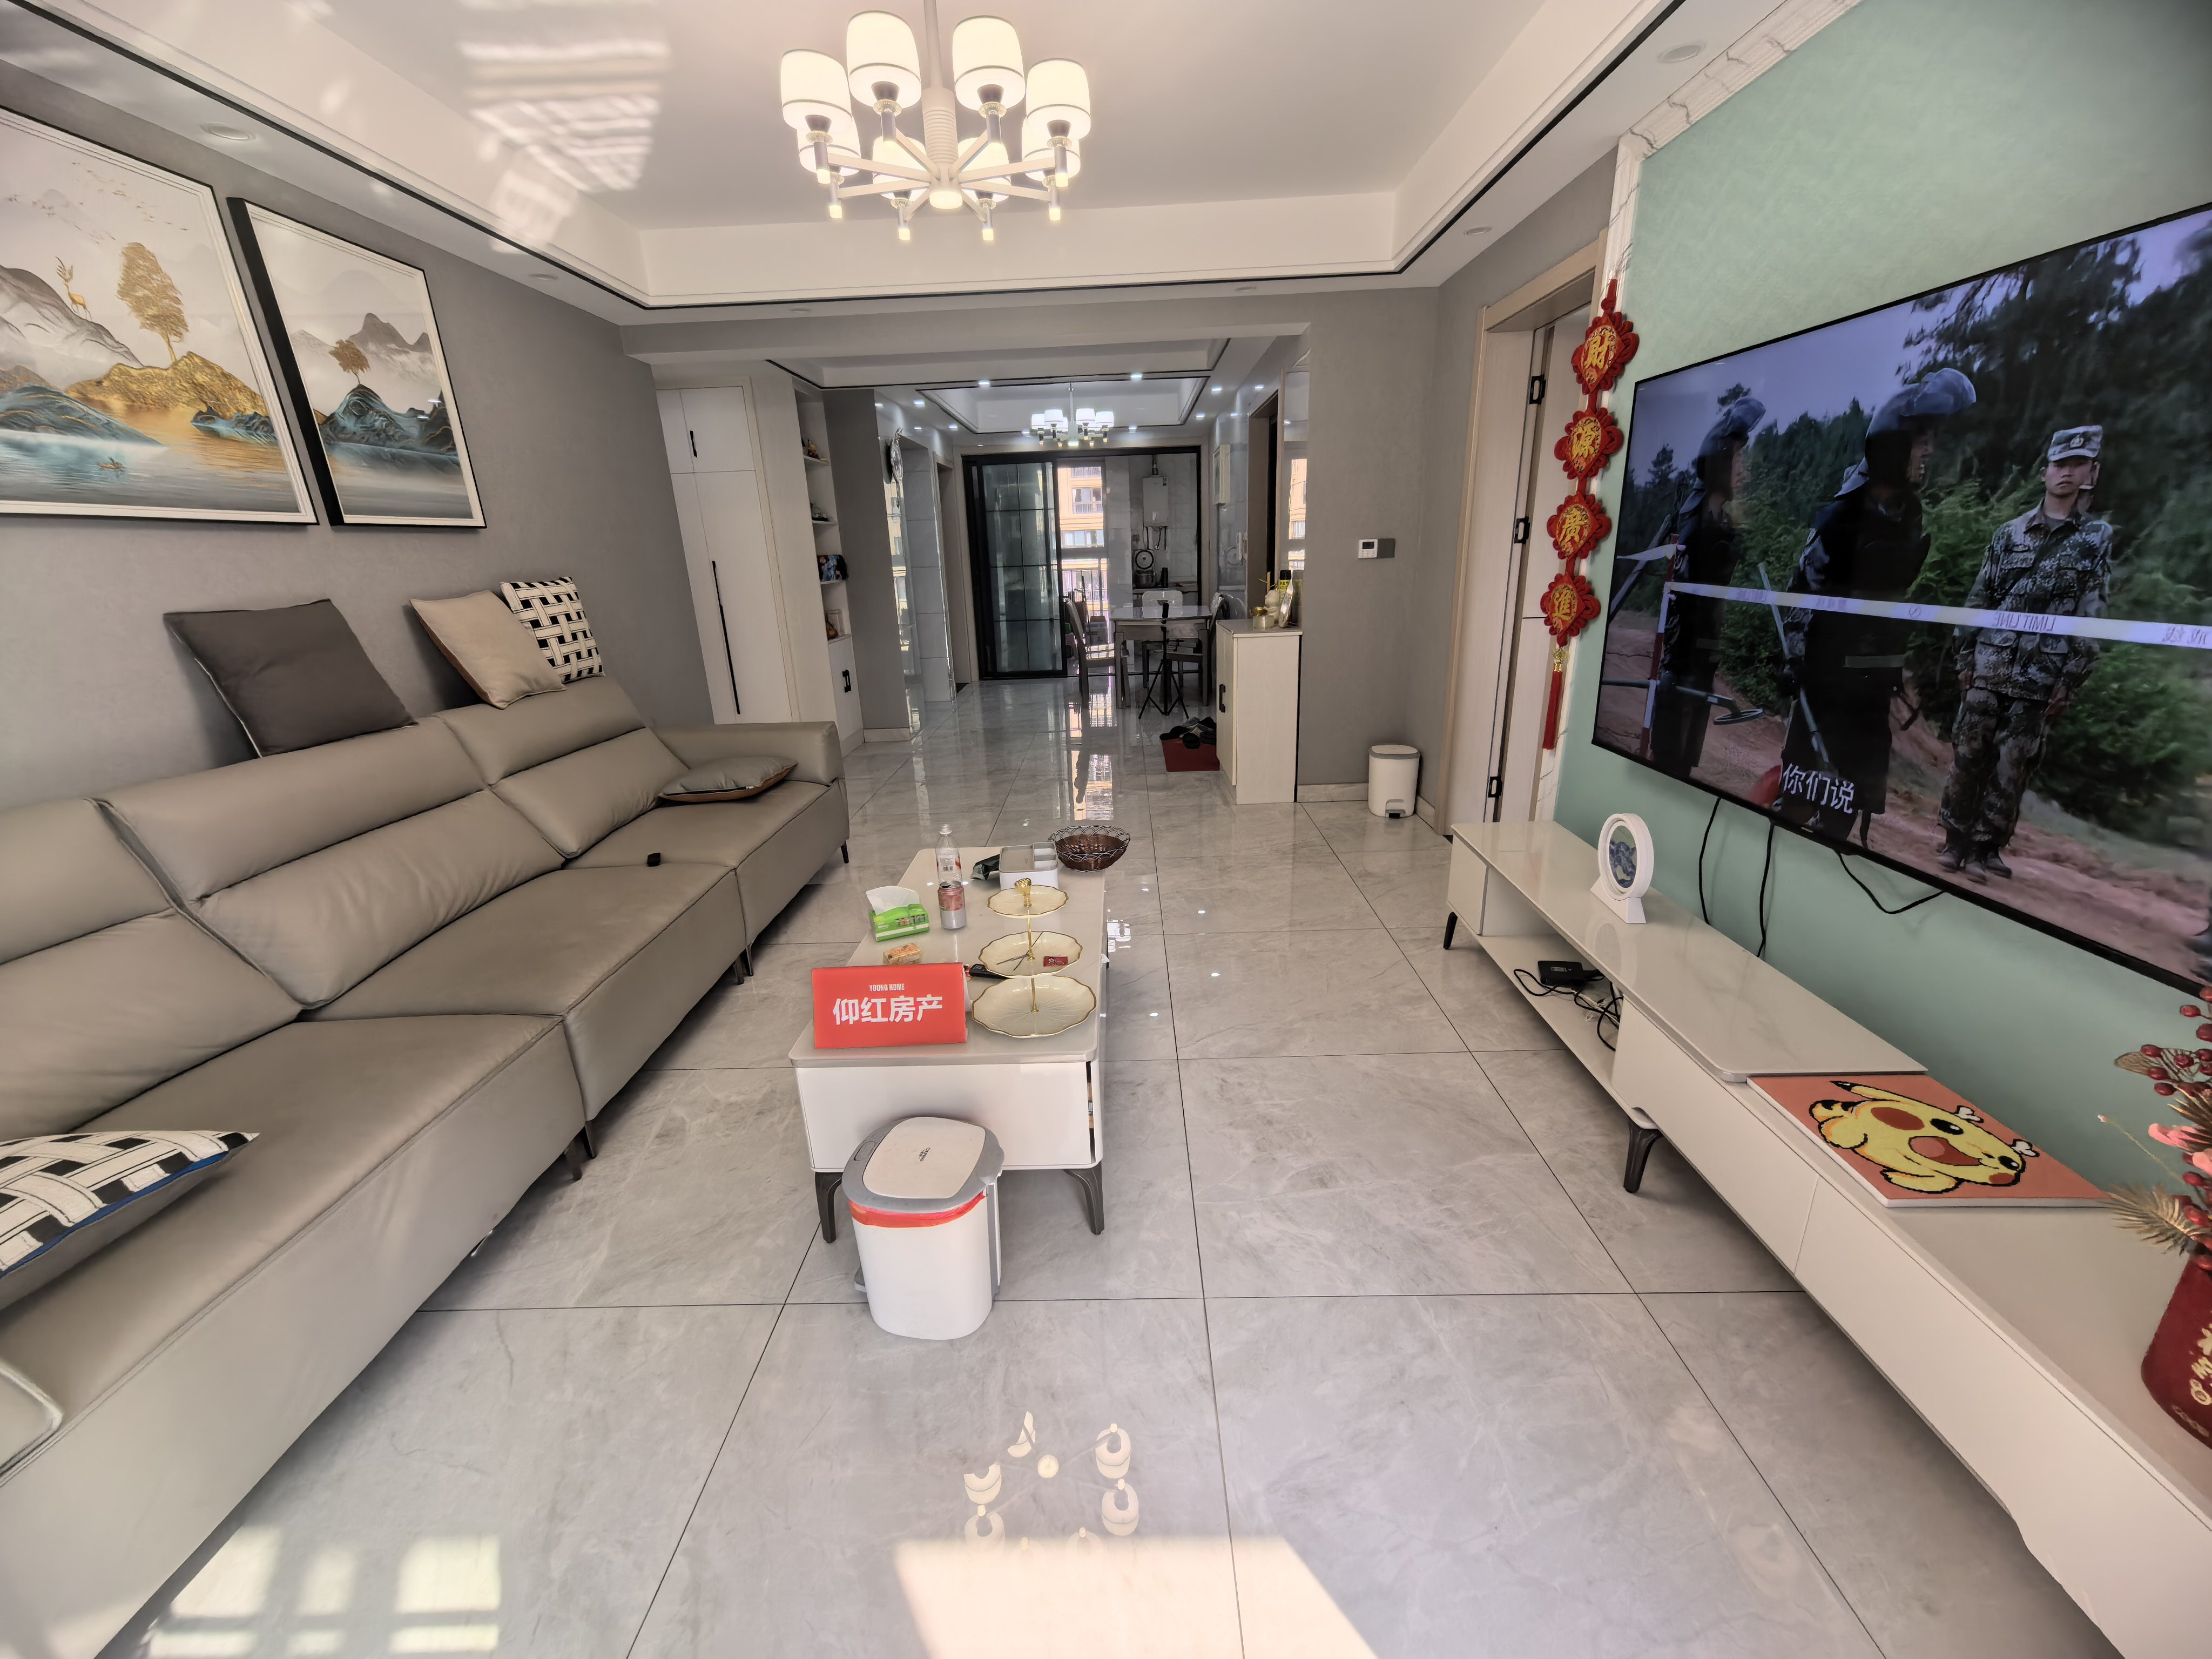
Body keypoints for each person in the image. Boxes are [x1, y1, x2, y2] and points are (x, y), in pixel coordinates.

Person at [1775, 367, 1977, 841]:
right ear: (1892, 446)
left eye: (1930, 441)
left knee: (1846, 801)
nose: (1928, 451)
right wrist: (1794, 658)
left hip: (1872, 683)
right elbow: (1804, 589)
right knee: (1800, 794)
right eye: (1920, 441)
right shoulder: (1841, 517)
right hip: (1827, 680)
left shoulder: (1909, 515)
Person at [1938, 427, 2113, 878]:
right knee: (1967, 755)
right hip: (1989, 665)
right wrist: (1964, 657)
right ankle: (1954, 841)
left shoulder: (2095, 539)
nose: (2067, 473)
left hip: (2041, 675)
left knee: (2013, 766)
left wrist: (2071, 679)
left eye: (2078, 465)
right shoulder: (2009, 533)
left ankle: (1985, 849)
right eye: (2060, 464)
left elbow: (2093, 613)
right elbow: (1980, 599)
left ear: (2092, 473)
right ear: (2045, 472)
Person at [1649, 395, 1764, 775]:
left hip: (1702, 663)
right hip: (1684, 668)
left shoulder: (1719, 526)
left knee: (1684, 764)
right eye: (1737, 459)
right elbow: (1678, 605)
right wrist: (1676, 669)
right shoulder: (1696, 530)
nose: (1743, 469)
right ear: (1719, 463)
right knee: (1671, 764)